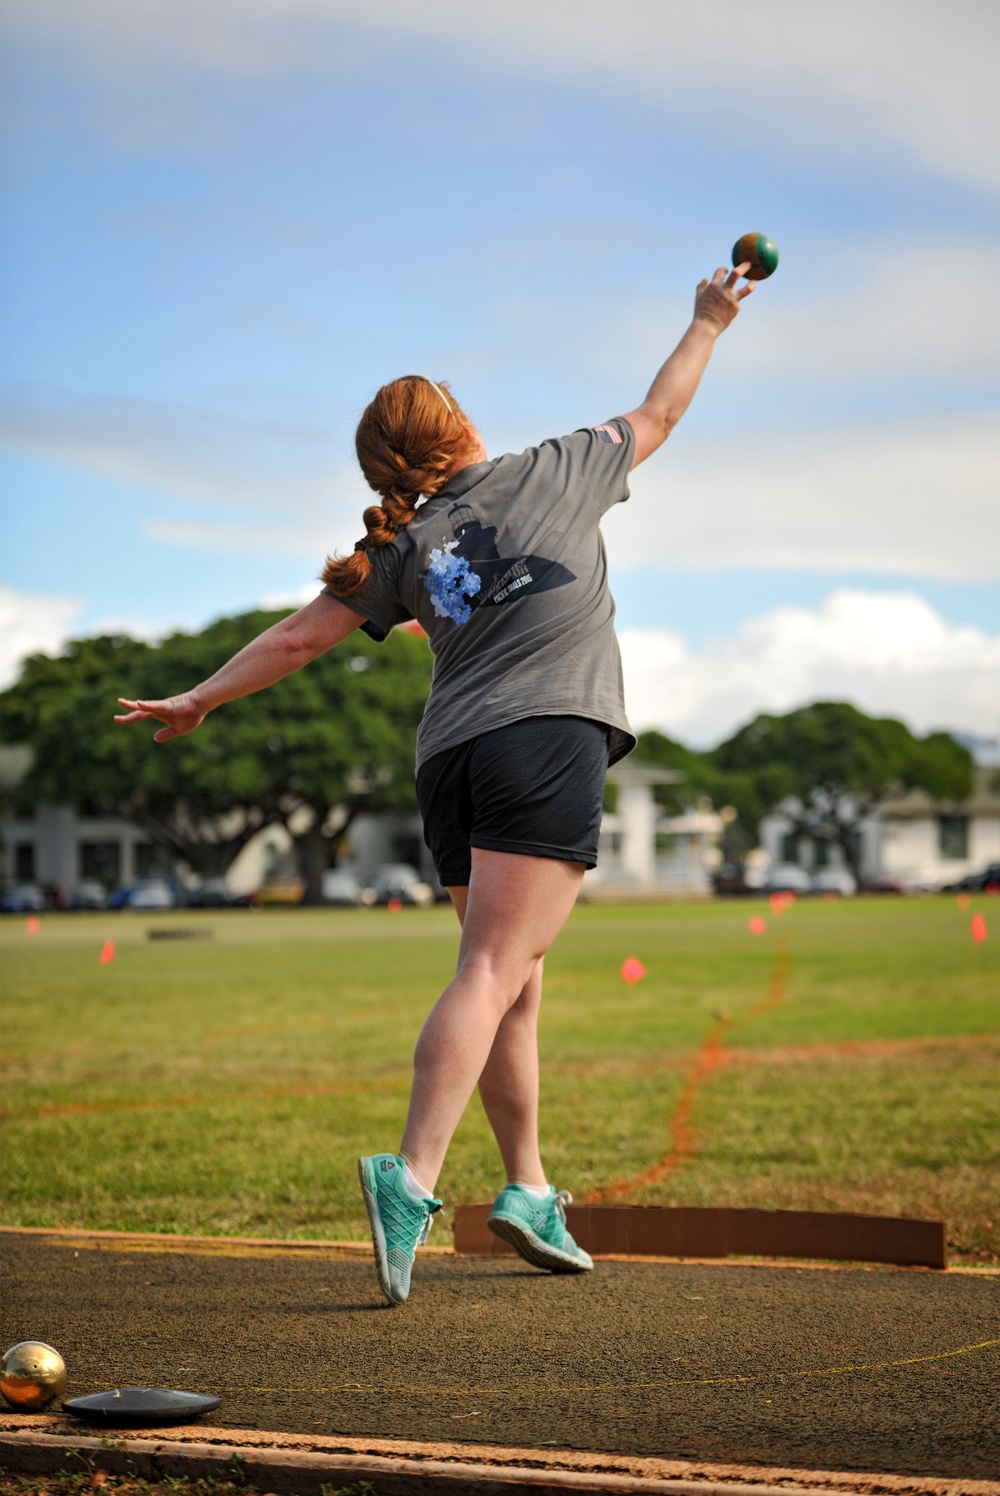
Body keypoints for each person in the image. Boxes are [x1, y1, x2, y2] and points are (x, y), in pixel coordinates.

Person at [116, 264, 755, 1305]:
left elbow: (297, 638)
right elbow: (663, 410)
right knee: (496, 969)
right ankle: (411, 1176)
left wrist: (199, 698)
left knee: (511, 983)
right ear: (461, 423)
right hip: (544, 736)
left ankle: (528, 1187)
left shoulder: (403, 542)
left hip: (450, 761)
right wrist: (709, 321)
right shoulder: (560, 465)